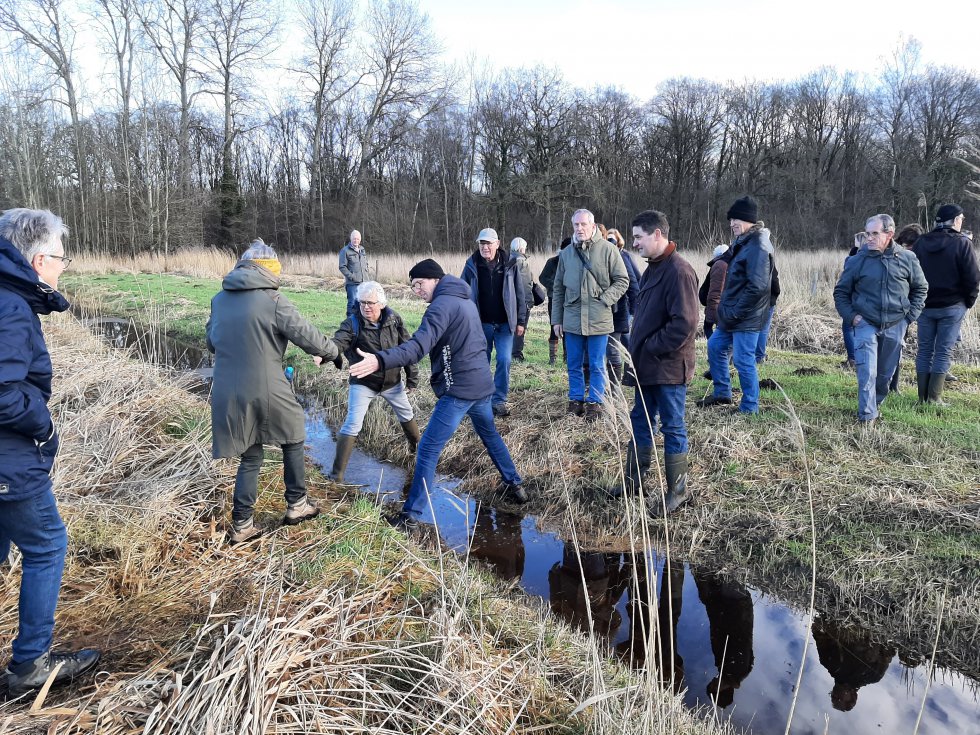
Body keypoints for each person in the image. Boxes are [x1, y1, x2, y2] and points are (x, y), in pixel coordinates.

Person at [0, 208, 102, 697]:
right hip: (9, 459)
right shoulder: (11, 307)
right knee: (47, 545)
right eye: (61, 258)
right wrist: (41, 424)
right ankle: (29, 665)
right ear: (40, 260)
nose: (64, 267)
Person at [349, 259, 527, 527]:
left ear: (434, 279)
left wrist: (379, 360)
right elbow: (477, 343)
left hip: (460, 391)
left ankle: (410, 517)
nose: (417, 290)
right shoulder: (464, 299)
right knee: (490, 436)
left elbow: (416, 347)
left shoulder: (441, 306)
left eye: (419, 284)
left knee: (428, 449)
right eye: (413, 287)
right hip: (480, 386)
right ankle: (516, 485)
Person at [207, 240, 341, 543]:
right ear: (268, 270)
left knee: (250, 455)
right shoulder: (273, 300)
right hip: (267, 385)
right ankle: (297, 504)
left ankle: (242, 526)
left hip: (227, 390)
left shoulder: (219, 299)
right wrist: (334, 352)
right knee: (293, 436)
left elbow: (211, 343)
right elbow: (309, 338)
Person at [621, 210, 699, 516]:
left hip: (667, 368)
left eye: (639, 236)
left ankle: (677, 493)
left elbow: (686, 324)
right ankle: (634, 482)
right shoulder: (653, 268)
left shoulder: (679, 271)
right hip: (646, 368)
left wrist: (650, 347)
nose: (634, 242)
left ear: (657, 235)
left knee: (673, 427)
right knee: (640, 420)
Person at [833, 215, 927, 425]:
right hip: (865, 323)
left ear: (889, 234)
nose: (869, 238)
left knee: (884, 376)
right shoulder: (857, 260)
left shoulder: (907, 259)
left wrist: (909, 317)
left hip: (896, 324)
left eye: (875, 233)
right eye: (867, 233)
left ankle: (875, 403)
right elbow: (840, 293)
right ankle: (867, 416)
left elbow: (921, 288)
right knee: (867, 371)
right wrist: (852, 317)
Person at [327, 281, 420, 483]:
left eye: (370, 303)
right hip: (363, 383)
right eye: (362, 303)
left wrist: (412, 378)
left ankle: (417, 453)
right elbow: (338, 341)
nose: (366, 307)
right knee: (352, 424)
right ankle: (336, 476)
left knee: (406, 413)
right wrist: (325, 353)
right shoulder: (352, 323)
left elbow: (408, 349)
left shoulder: (394, 320)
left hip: (392, 382)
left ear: (381, 304)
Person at [697, 196, 774, 415]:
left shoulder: (758, 245)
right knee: (715, 347)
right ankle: (723, 393)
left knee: (743, 360)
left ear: (749, 220)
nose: (732, 224)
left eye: (736, 219)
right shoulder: (742, 242)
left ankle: (750, 406)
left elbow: (757, 287)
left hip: (746, 316)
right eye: (731, 220)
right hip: (731, 315)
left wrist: (737, 312)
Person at [552, 209, 630, 421]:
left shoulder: (608, 250)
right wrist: (556, 320)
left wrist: (605, 299)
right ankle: (576, 400)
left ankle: (595, 401)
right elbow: (558, 288)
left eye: (583, 224)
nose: (579, 228)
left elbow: (623, 280)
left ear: (593, 225)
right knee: (574, 363)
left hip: (599, 318)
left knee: (597, 363)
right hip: (572, 318)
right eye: (576, 225)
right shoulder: (567, 253)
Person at [911, 204, 979, 404]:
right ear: (956, 220)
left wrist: (916, 300)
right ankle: (934, 398)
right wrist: (969, 301)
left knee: (924, 350)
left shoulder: (920, 243)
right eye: (962, 219)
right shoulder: (962, 243)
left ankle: (922, 397)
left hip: (925, 306)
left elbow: (911, 275)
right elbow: (973, 277)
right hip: (952, 306)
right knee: (943, 351)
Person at [461, 228, 528, 417]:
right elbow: (462, 292)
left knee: (504, 359)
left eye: (489, 243)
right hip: (480, 325)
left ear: (497, 244)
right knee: (481, 362)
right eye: (482, 243)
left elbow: (520, 294)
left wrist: (521, 321)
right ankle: (481, 400)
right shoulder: (471, 265)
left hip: (505, 324)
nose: (485, 247)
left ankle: (499, 401)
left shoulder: (510, 264)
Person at [812, 616, 894, 712]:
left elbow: (818, 630)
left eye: (833, 696)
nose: (835, 694)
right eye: (839, 698)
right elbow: (889, 649)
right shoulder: (874, 676)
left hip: (848, 615)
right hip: (879, 620)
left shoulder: (826, 662)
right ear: (853, 696)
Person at [888, 223, 925, 391]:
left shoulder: (902, 255)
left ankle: (892, 385)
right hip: (899, 310)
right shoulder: (911, 256)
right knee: (896, 347)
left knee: (896, 347)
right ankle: (892, 385)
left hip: (904, 310)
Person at [605, 228, 640, 384]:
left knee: (624, 344)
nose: (611, 242)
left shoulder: (623, 256)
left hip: (622, 308)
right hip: (614, 309)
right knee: (626, 343)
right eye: (608, 239)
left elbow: (634, 282)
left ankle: (628, 377)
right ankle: (628, 376)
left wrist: (634, 310)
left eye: (613, 239)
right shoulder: (606, 256)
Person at [539, 238, 570, 365]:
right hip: (554, 299)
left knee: (568, 329)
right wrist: (556, 286)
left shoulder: (574, 262)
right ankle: (552, 358)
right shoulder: (552, 262)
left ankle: (567, 357)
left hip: (570, 300)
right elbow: (542, 278)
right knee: (554, 328)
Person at [509, 237, 535, 362]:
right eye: (524, 247)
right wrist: (529, 303)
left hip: (510, 301)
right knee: (520, 328)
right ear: (521, 248)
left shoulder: (508, 260)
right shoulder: (522, 263)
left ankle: (510, 352)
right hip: (521, 303)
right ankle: (517, 355)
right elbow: (524, 286)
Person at [338, 229, 370, 316]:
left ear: (360, 239)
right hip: (352, 284)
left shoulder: (362, 249)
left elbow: (365, 263)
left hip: (364, 283)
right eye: (354, 238)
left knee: (362, 304)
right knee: (352, 303)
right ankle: (349, 324)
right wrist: (352, 276)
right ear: (351, 239)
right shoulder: (345, 251)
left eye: (358, 239)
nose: (356, 240)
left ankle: (359, 323)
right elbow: (342, 267)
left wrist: (367, 274)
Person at [755, 262, 780, 363]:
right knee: (763, 329)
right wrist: (775, 295)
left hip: (754, 301)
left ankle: (750, 354)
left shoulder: (750, 259)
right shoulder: (769, 262)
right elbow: (775, 283)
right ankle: (760, 356)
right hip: (768, 301)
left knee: (752, 328)